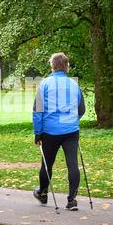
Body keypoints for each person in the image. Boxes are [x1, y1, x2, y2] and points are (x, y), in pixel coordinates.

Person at [32, 52, 85, 211]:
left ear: (52, 66)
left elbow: (37, 111)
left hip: (50, 131)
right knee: (72, 163)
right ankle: (72, 200)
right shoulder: (74, 84)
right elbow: (81, 109)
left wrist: (38, 132)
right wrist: (71, 120)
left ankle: (43, 193)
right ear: (66, 67)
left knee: (47, 164)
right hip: (71, 130)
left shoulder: (44, 84)